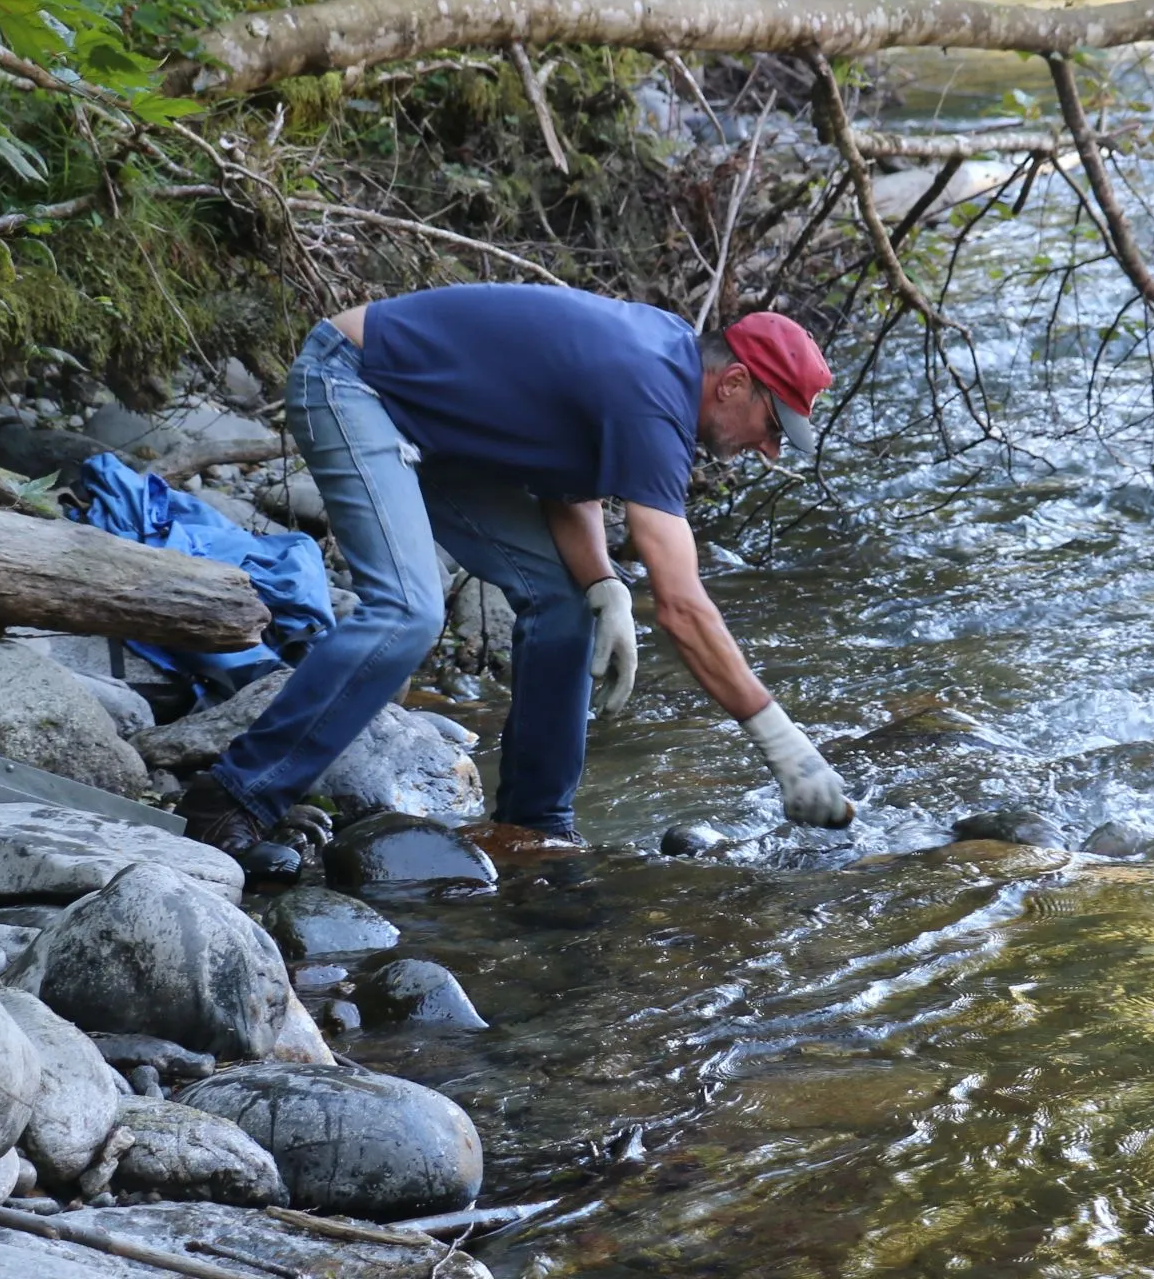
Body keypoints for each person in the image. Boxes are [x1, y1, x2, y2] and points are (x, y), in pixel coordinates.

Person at [177, 283, 856, 878]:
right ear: (734, 381)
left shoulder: (662, 373)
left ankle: (531, 826)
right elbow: (682, 605)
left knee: (564, 604)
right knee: (409, 612)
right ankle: (235, 794)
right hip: (354, 381)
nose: (769, 449)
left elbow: (570, 488)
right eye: (772, 426)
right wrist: (785, 747)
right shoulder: (653, 388)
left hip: (436, 431)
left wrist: (603, 586)